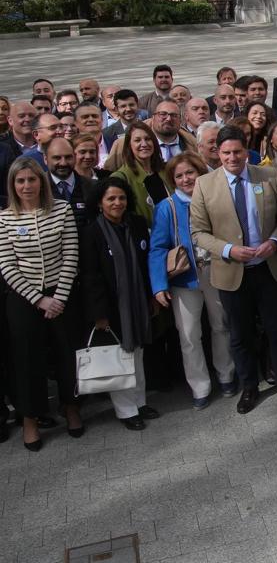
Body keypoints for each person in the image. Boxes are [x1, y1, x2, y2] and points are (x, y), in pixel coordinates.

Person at [189, 126, 277, 414]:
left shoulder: (267, 177)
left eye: (237, 152)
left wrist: (275, 241)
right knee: (239, 334)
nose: (232, 158)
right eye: (226, 152)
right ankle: (249, 386)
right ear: (218, 152)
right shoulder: (204, 184)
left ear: (246, 151)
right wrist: (228, 250)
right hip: (231, 271)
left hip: (268, 267)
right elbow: (198, 232)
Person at [0, 157, 83, 449]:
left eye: (31, 180)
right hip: (25, 299)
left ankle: (71, 407)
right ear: (13, 185)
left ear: (41, 182)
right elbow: (7, 265)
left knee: (66, 354)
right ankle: (30, 419)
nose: (26, 186)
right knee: (27, 361)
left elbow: (71, 254)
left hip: (61, 295)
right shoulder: (5, 218)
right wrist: (39, 299)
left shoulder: (61, 209)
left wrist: (57, 297)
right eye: (20, 181)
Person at [148, 152, 236, 409]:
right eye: (179, 175)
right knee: (188, 335)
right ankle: (200, 386)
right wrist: (159, 285)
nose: (186, 179)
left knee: (222, 326)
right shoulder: (167, 207)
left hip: (216, 272)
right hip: (184, 279)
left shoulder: (215, 199)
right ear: (172, 180)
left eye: (190, 173)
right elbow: (157, 248)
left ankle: (226, 374)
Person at [80, 176, 158, 430]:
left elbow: (145, 265)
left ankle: (140, 402)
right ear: (100, 203)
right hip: (112, 308)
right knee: (121, 355)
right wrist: (99, 314)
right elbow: (91, 277)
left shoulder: (136, 224)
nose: (117, 203)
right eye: (111, 198)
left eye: (121, 197)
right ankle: (126, 411)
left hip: (137, 303)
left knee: (138, 354)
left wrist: (150, 296)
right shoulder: (92, 233)